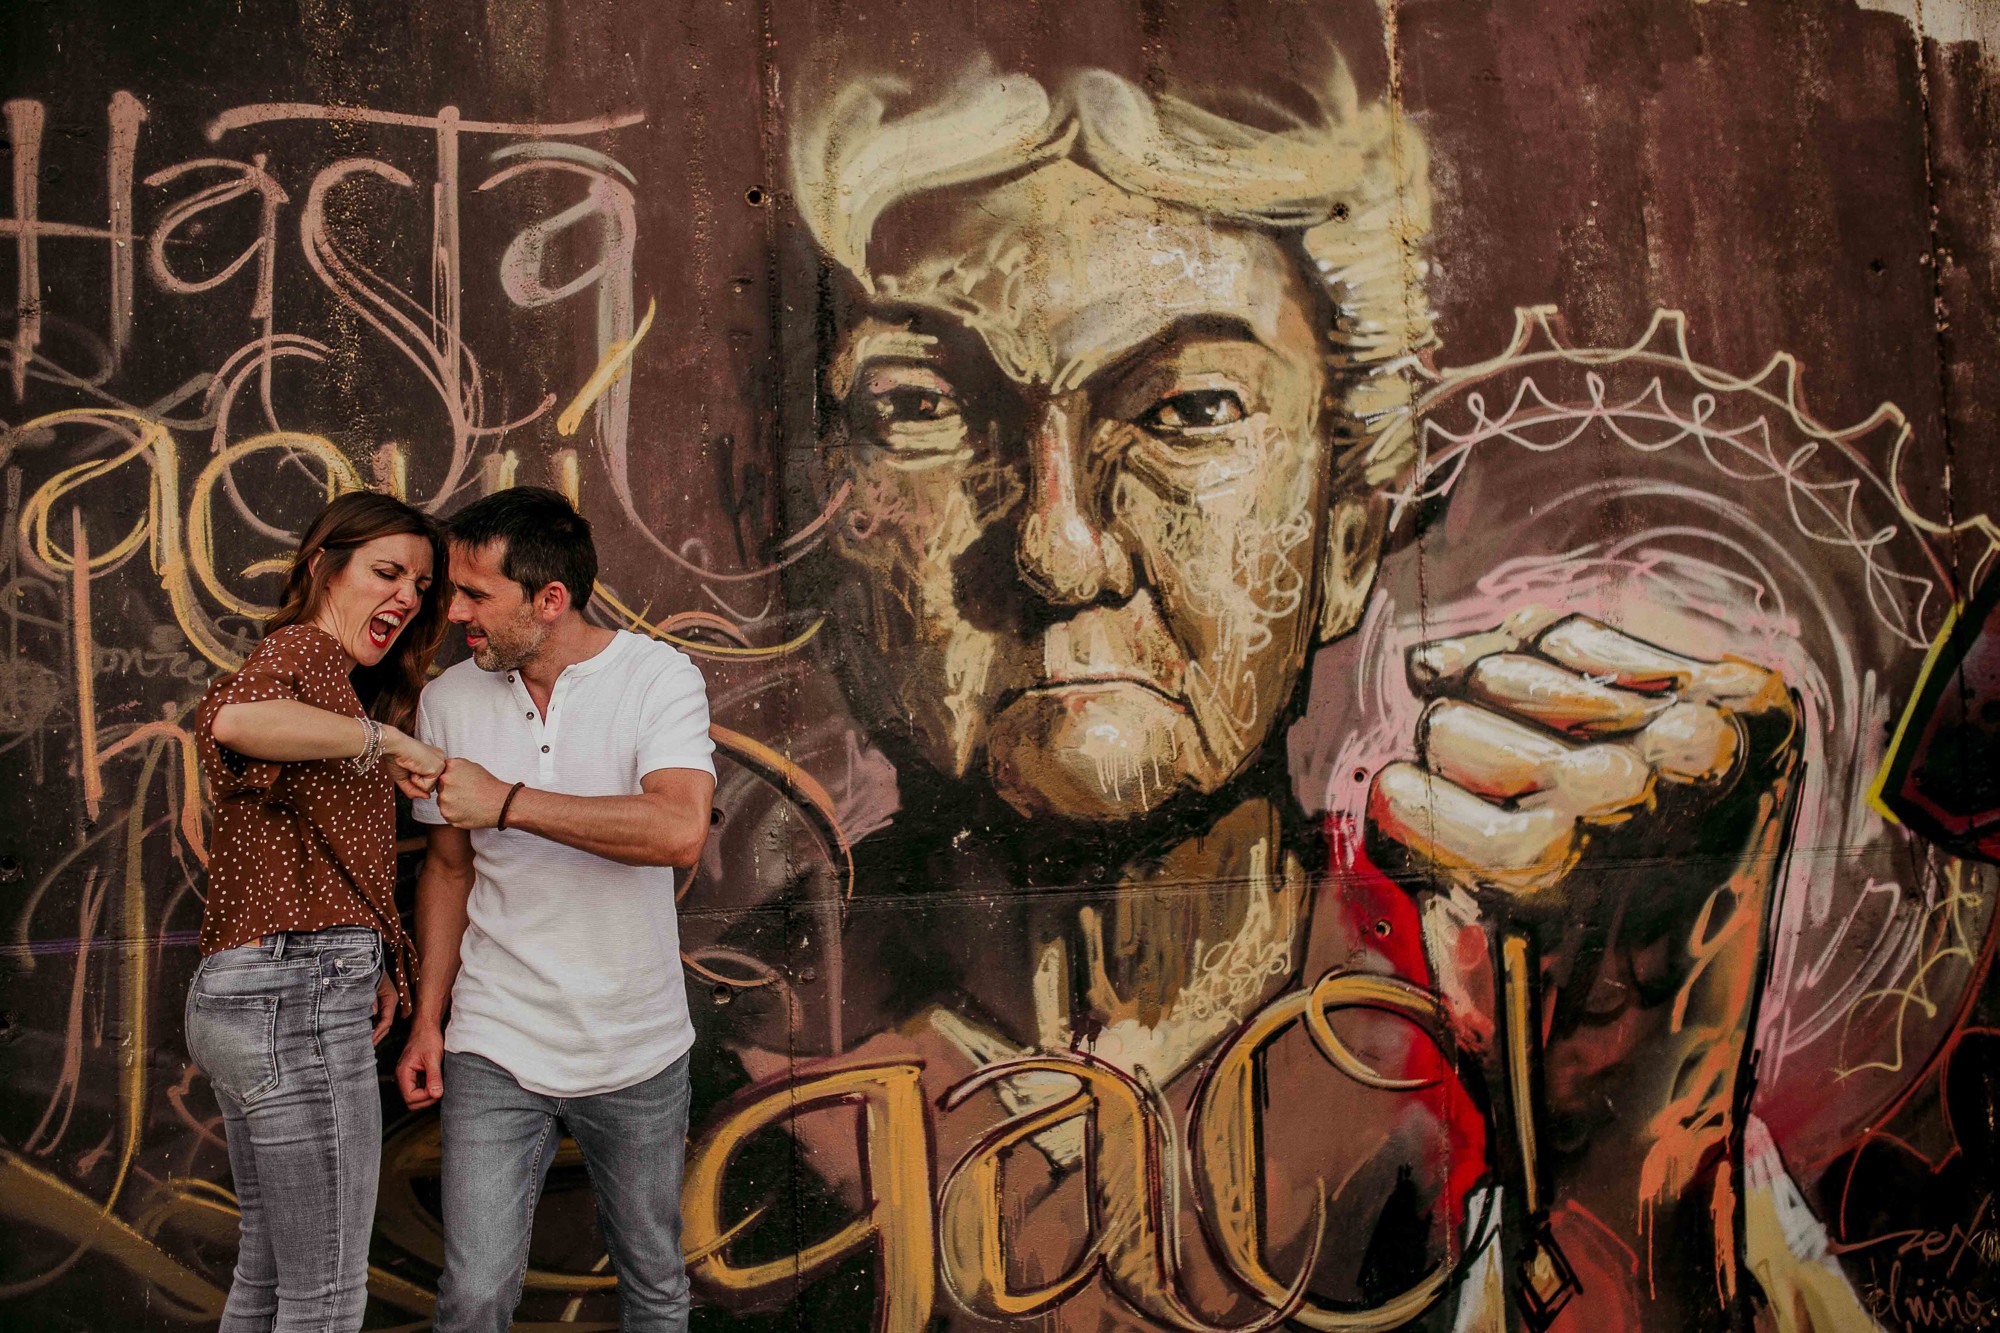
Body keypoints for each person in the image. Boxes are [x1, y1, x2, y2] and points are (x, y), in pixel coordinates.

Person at [674, 57, 1872, 1331]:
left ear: (1347, 538)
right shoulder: (694, 1040)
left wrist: (1626, 1188)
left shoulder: (1514, 1024)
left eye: (1188, 409)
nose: (1057, 547)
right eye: (919, 406)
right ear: (802, 517)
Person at [393, 486, 716, 1333]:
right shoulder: (450, 700)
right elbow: (450, 872)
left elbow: (679, 828)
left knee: (652, 1281)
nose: (451, 609)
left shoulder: (657, 677)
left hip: (637, 1044)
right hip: (496, 1039)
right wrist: (429, 1019)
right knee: (473, 1294)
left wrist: (508, 800)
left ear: (549, 599)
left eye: (474, 595)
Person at [188, 490, 450, 1333]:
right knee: (327, 1295)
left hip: (261, 985)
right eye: (385, 571)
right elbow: (236, 720)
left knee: (267, 1274)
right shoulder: (301, 649)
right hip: (292, 991)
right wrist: (393, 743)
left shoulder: (334, 686)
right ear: (320, 566)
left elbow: (308, 838)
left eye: (419, 582)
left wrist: (368, 954)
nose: (407, 595)